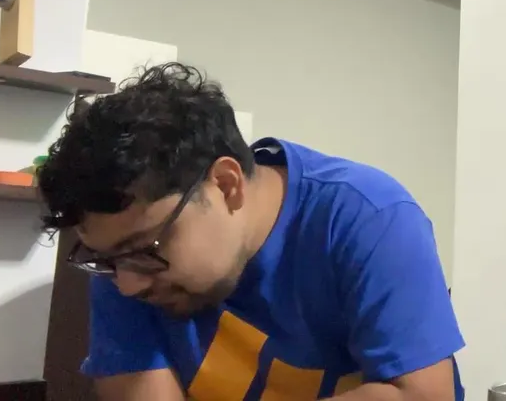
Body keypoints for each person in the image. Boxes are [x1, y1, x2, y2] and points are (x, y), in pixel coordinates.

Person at [37, 63, 464, 401]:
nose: (127, 285)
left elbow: (421, 395)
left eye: (144, 249)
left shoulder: (367, 217)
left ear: (227, 185)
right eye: (106, 261)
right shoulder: (122, 262)